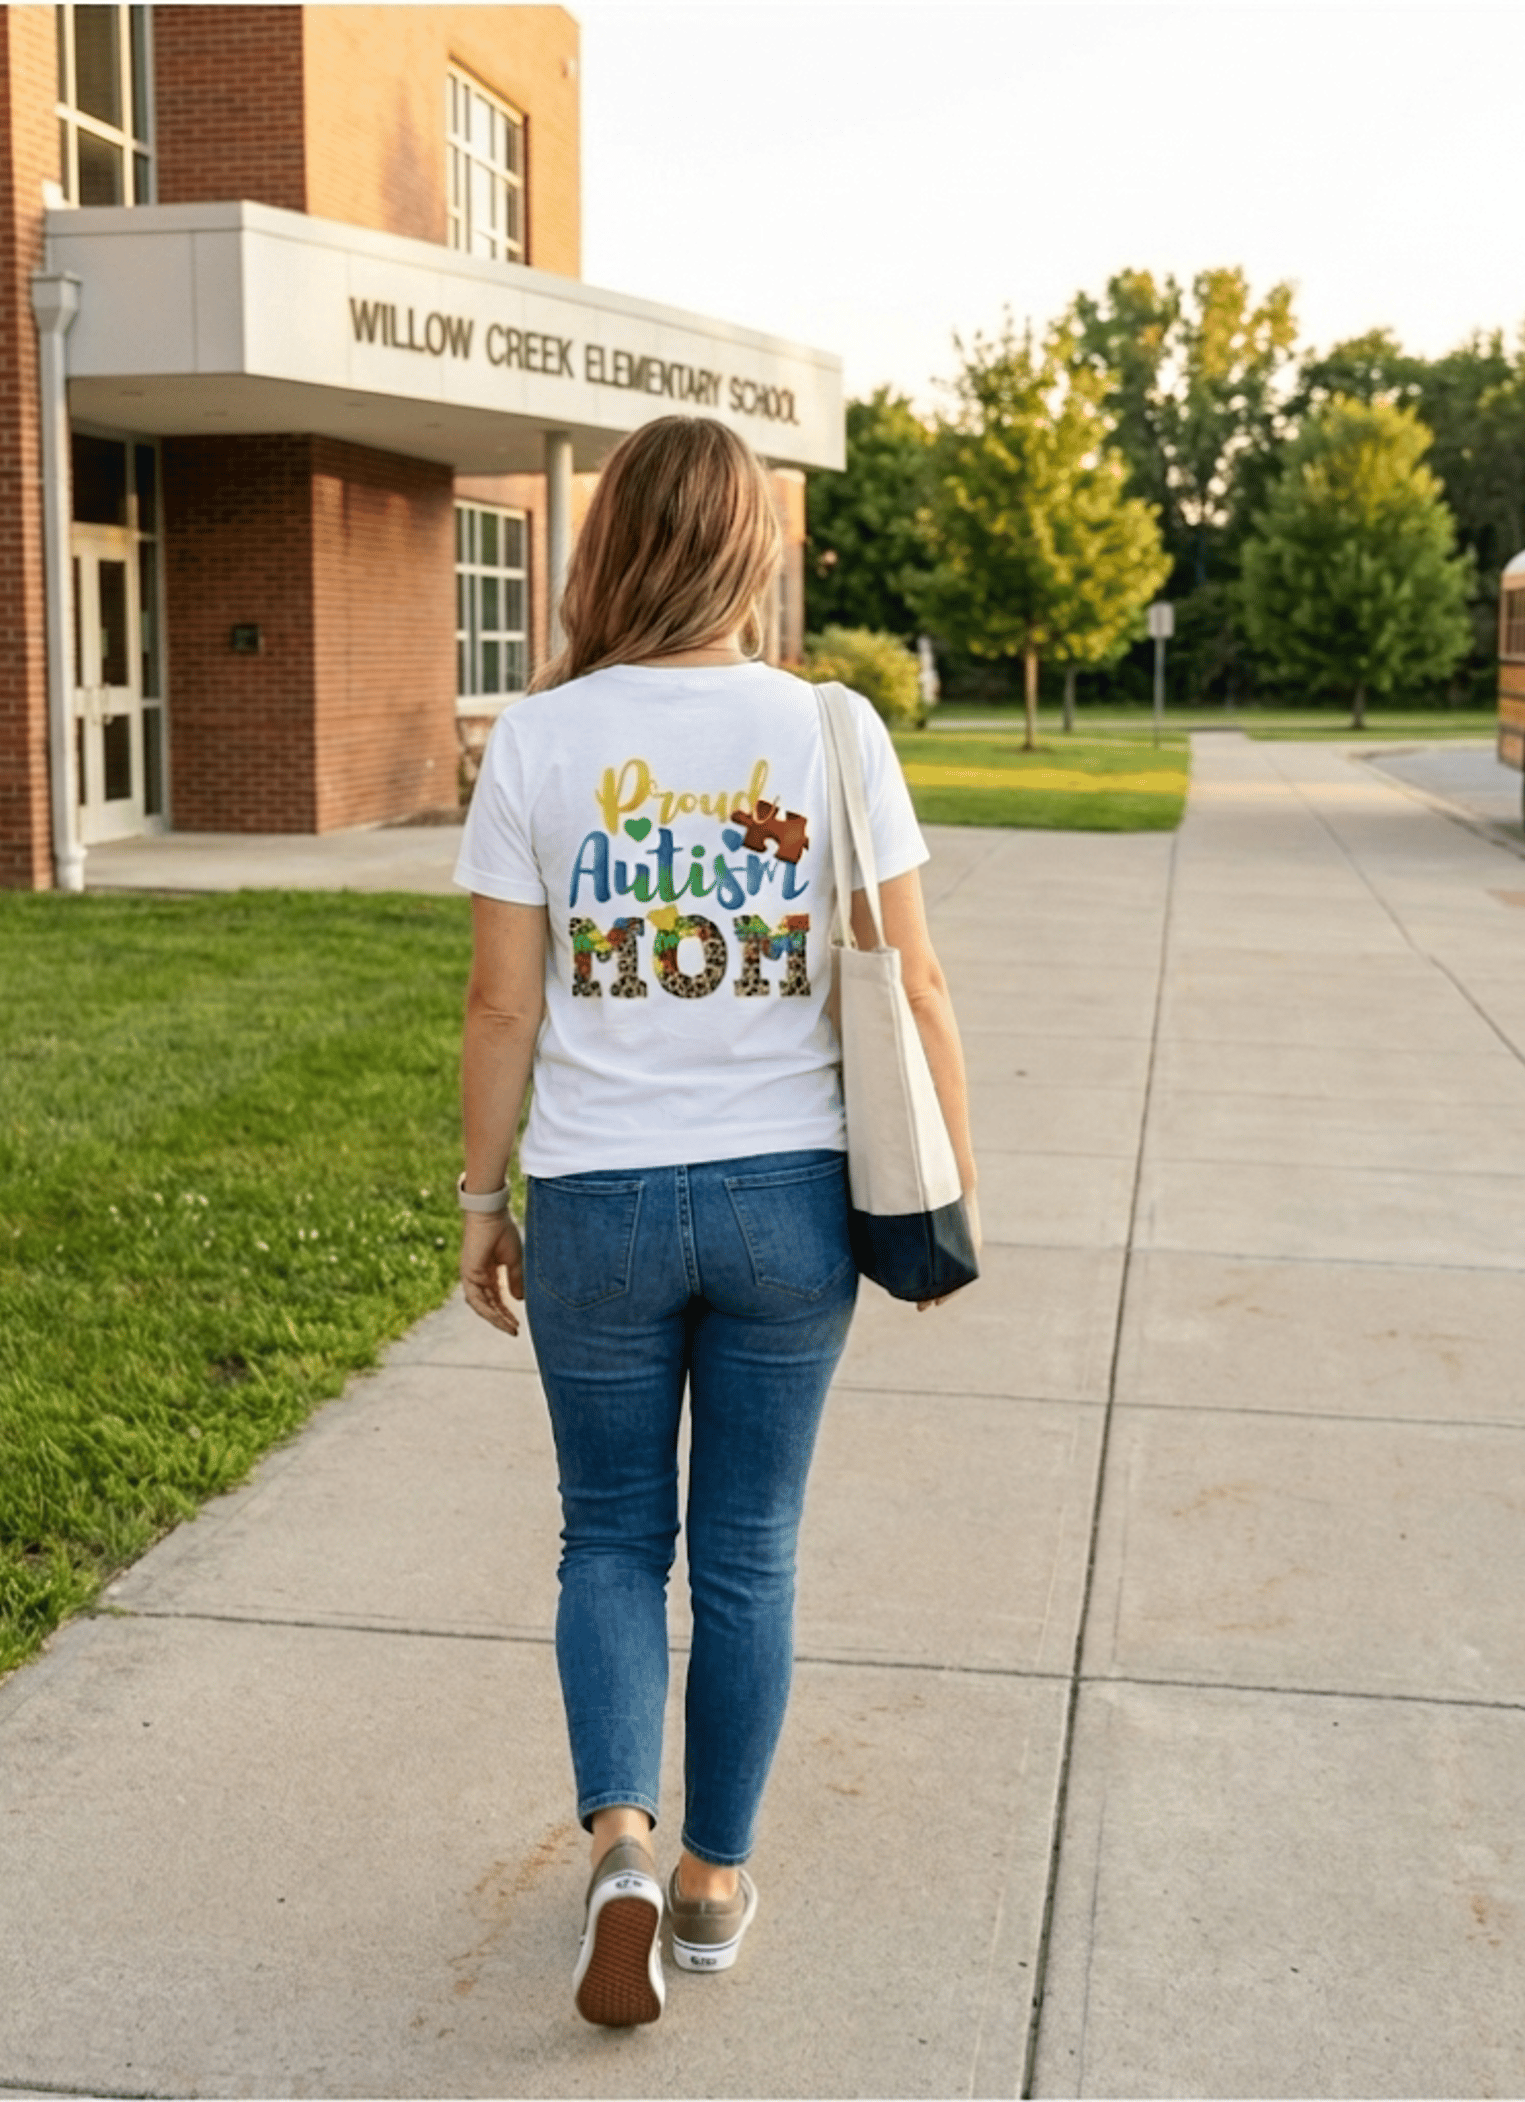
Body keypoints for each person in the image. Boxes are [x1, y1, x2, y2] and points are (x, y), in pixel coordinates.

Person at [451, 415, 978, 2028]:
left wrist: (483, 1199)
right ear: (754, 548)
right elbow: (922, 977)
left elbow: (497, 1003)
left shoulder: (535, 740)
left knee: (609, 1534)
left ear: (610, 543)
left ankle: (618, 1831)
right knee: (747, 1554)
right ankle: (711, 1885)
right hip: (784, 1203)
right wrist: (949, 1178)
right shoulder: (834, 729)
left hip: (598, 1202)